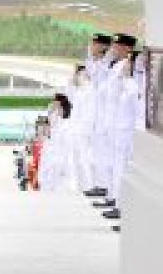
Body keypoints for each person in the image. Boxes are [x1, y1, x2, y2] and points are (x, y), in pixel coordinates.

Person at [103, 51, 140, 221]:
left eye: (128, 63)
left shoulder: (133, 87)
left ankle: (124, 209)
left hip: (128, 136)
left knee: (125, 172)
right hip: (120, 134)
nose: (123, 66)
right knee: (119, 170)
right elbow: (110, 89)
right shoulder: (127, 85)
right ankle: (119, 205)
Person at [84, 34, 113, 198]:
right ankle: (100, 184)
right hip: (97, 116)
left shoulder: (108, 64)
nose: (91, 47)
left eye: (94, 44)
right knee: (97, 152)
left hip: (106, 116)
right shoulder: (95, 63)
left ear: (103, 46)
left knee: (105, 153)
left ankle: (105, 186)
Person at [66, 65, 95, 193]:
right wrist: (72, 78)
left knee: (85, 158)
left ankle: (89, 185)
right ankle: (78, 185)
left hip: (83, 129)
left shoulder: (91, 90)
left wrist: (86, 129)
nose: (78, 77)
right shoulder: (80, 91)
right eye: (78, 75)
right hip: (75, 129)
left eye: (80, 74)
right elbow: (69, 94)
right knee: (75, 159)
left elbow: (91, 112)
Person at [37, 94, 73, 191]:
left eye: (55, 100)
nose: (52, 102)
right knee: (48, 166)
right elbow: (44, 130)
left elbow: (58, 125)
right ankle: (47, 186)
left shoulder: (64, 115)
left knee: (57, 166)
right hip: (51, 142)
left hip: (59, 143)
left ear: (59, 102)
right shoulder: (50, 112)